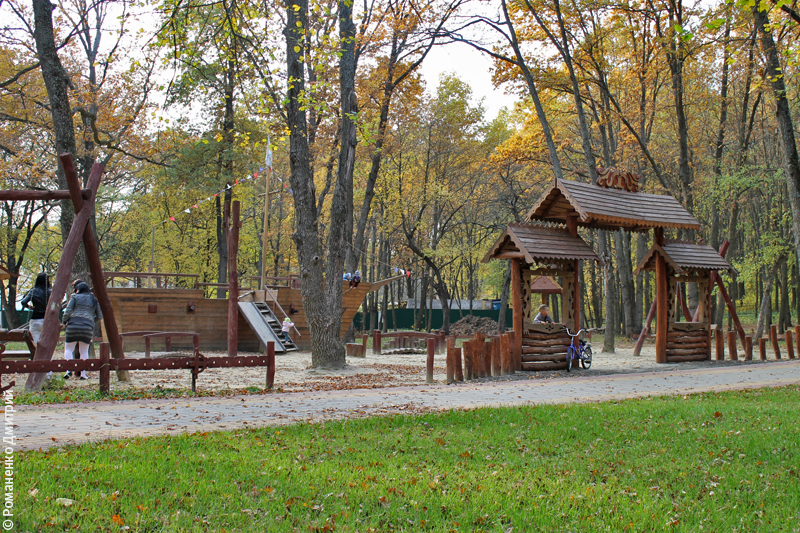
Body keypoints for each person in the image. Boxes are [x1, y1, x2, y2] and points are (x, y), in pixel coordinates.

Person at [62, 282, 102, 380]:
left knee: (68, 349)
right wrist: (91, 321)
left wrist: (64, 321)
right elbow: (100, 316)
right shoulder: (94, 299)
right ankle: (83, 374)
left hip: (73, 325)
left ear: (78, 289)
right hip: (87, 326)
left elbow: (67, 311)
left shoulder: (75, 297)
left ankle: (68, 370)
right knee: (84, 351)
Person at [20, 273, 51, 346]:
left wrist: (30, 307)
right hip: (47, 320)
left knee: (36, 345)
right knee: (48, 344)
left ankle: (38, 356)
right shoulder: (50, 292)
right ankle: (49, 357)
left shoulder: (33, 291)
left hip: (35, 319)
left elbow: (23, 302)